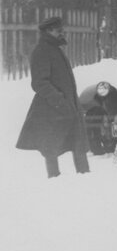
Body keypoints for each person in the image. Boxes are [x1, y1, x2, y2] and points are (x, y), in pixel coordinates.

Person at [16, 16, 90, 178]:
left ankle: (85, 178)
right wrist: (60, 101)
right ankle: (54, 181)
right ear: (48, 31)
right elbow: (39, 83)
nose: (62, 33)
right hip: (51, 109)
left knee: (78, 144)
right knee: (50, 148)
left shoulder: (56, 49)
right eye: (59, 30)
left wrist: (70, 103)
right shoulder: (41, 51)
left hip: (67, 106)